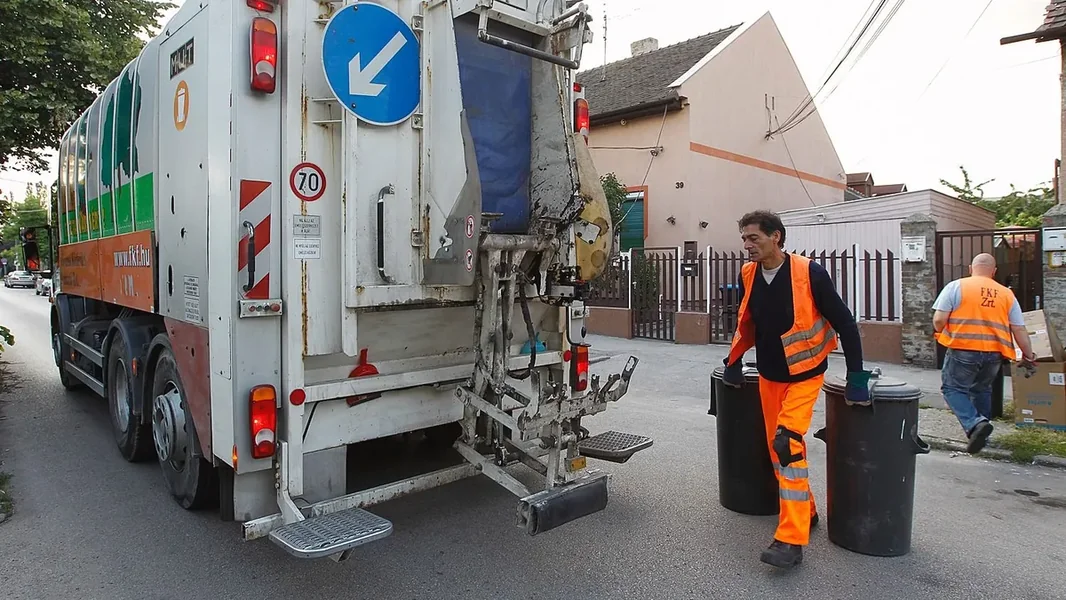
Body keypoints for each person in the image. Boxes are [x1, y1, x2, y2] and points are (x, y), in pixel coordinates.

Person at [721, 210, 869, 570]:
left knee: (787, 443)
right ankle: (807, 511)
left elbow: (844, 322)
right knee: (779, 453)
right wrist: (734, 361)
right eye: (743, 238)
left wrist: (857, 375)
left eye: (753, 238)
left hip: (805, 373)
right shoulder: (748, 274)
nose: (747, 245)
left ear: (777, 237)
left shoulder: (809, 273)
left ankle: (791, 538)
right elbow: (747, 320)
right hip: (770, 375)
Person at [932, 253, 1035, 454]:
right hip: (994, 354)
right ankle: (982, 435)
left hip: (963, 349)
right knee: (982, 390)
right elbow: (1019, 329)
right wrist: (1028, 355)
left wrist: (941, 331)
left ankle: (975, 423)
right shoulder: (1006, 294)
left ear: (971, 268)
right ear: (994, 272)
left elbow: (938, 319)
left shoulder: (956, 286)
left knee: (953, 389)